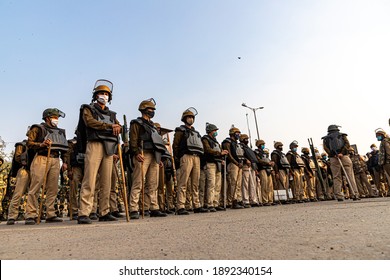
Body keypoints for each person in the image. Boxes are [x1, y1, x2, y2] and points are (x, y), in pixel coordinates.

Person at [77, 80, 121, 224]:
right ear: (96, 96)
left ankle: (104, 211)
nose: (104, 96)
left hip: (109, 147)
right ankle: (84, 212)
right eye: (101, 93)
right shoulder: (88, 109)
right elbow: (89, 122)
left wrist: (119, 127)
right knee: (89, 179)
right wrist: (109, 126)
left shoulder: (113, 114)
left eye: (106, 94)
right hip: (95, 144)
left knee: (106, 181)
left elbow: (118, 127)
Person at [25, 108, 68, 225]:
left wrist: (64, 161)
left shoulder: (60, 132)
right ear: (47, 118)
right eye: (55, 117)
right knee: (36, 186)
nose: (57, 120)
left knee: (53, 188)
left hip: (55, 159)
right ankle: (31, 214)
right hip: (41, 157)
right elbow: (29, 143)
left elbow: (64, 149)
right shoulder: (38, 128)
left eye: (57, 118)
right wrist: (41, 144)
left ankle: (50, 213)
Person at [128, 99, 168, 219]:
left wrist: (159, 158)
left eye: (153, 110)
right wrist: (135, 152)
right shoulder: (137, 123)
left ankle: (153, 207)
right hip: (142, 153)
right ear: (144, 110)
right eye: (150, 109)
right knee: (138, 182)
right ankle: (133, 208)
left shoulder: (153, 126)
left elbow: (157, 142)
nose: (152, 111)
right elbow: (133, 139)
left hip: (154, 155)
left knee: (153, 183)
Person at [173, 107, 208, 215]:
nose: (191, 119)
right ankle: (181, 206)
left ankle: (196, 205)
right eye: (189, 117)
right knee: (183, 183)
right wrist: (177, 159)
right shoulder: (180, 130)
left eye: (192, 117)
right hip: (186, 157)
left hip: (196, 157)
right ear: (184, 119)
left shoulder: (196, 132)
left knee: (195, 183)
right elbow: (176, 145)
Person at [322, 124, 360, 201]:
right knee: (350, 175)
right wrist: (342, 153)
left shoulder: (326, 139)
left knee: (336, 177)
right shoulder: (342, 135)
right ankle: (355, 194)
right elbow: (347, 144)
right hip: (344, 157)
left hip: (333, 158)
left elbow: (326, 148)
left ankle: (339, 195)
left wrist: (333, 154)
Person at [201, 123, 228, 212]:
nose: (216, 132)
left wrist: (221, 157)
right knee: (211, 184)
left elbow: (219, 151)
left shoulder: (216, 141)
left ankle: (216, 203)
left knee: (218, 185)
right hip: (210, 163)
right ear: (210, 131)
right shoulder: (205, 139)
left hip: (218, 163)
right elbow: (208, 150)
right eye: (214, 130)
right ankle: (209, 203)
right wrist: (220, 153)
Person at [7, 140, 31, 225]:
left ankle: (31, 215)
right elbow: (17, 158)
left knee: (33, 194)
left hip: (34, 171)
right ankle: (12, 216)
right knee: (18, 194)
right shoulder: (21, 145)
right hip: (23, 170)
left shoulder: (37, 146)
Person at [221, 127, 245, 209]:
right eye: (237, 133)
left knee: (238, 183)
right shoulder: (227, 142)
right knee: (233, 183)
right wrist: (236, 162)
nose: (238, 135)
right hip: (233, 164)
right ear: (233, 133)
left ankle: (239, 199)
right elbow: (229, 155)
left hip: (239, 164)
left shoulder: (237, 144)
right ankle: (233, 201)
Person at [239, 134, 260, 207]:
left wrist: (256, 168)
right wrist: (245, 160)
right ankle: (245, 200)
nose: (247, 140)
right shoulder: (240, 146)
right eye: (246, 139)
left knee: (252, 184)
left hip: (252, 166)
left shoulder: (248, 148)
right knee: (245, 183)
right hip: (245, 166)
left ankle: (253, 200)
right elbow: (240, 155)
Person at [255, 140, 275, 206]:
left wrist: (271, 163)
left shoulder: (265, 153)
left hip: (268, 169)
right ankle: (265, 200)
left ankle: (270, 200)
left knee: (270, 185)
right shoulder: (256, 152)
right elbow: (258, 160)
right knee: (264, 185)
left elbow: (268, 159)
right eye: (262, 144)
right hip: (262, 169)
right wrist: (267, 163)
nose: (263, 145)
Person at [376, 128, 390, 195]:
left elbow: (388, 152)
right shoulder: (383, 142)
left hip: (387, 163)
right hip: (384, 163)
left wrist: (388, 161)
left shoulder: (385, 142)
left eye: (378, 135)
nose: (377, 137)